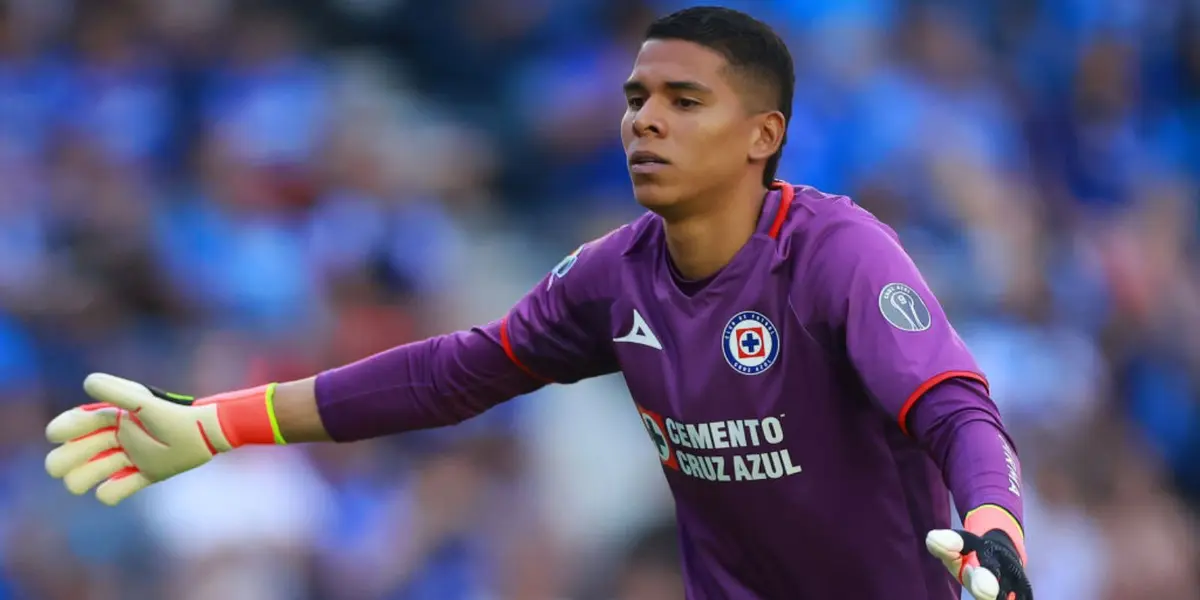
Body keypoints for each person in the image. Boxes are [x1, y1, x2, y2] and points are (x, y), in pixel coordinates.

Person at [44, 7, 1033, 600]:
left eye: (684, 101)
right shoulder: (614, 275)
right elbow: (451, 374)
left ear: (760, 135)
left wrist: (995, 528)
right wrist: (217, 424)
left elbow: (955, 406)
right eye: (636, 97)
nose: (644, 117)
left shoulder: (837, 254)